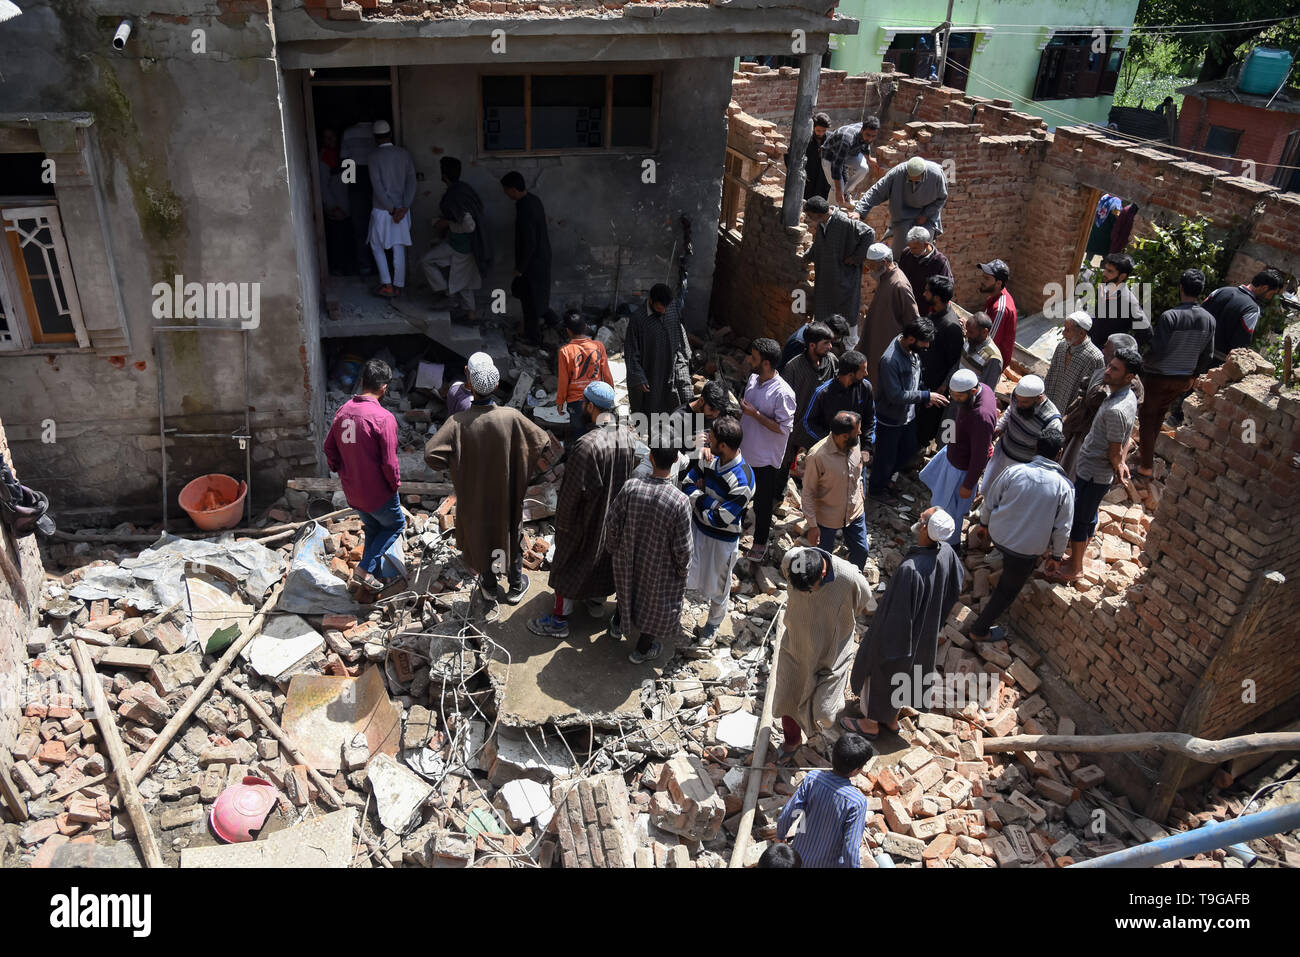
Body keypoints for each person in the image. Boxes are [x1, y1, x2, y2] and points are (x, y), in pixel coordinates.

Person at [424, 353, 552, 609]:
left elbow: (431, 455)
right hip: (506, 496)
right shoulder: (511, 417)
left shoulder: (457, 423)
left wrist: (456, 465)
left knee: (481, 537)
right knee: (510, 537)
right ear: (494, 385)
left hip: (475, 499)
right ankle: (516, 587)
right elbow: (543, 442)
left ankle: (489, 586)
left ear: (469, 384)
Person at [528, 382, 639, 640]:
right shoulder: (626, 436)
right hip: (612, 518)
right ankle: (595, 601)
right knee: (602, 558)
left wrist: (563, 527)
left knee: (568, 561)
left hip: (586, 519)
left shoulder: (585, 445)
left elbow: (570, 495)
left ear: (590, 406)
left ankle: (559, 621)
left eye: (583, 404)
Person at [846, 507, 963, 736]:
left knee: (882, 673)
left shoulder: (911, 570)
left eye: (923, 519)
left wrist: (883, 645)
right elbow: (955, 587)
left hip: (902, 634)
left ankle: (870, 724)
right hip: (926, 629)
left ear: (926, 531)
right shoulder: (947, 552)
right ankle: (890, 719)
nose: (919, 519)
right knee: (910, 673)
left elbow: (897, 616)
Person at [968, 429, 1074, 643]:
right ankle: (979, 630)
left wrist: (984, 525)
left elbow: (990, 500)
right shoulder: (1065, 488)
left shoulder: (1014, 471)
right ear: (1060, 453)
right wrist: (1056, 557)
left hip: (998, 535)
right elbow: (1063, 528)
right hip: (1026, 551)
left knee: (1009, 561)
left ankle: (994, 566)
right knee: (1007, 590)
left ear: (1035, 447)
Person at [1048, 349, 1141, 584]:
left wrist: (1117, 463)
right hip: (1095, 470)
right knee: (1087, 516)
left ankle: (1076, 566)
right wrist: (1118, 462)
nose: (1107, 371)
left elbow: (1114, 447)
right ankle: (1076, 556)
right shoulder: (1125, 396)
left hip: (1093, 473)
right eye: (1109, 366)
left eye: (1115, 369)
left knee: (1079, 518)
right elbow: (1124, 438)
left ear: (1129, 377)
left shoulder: (1116, 409)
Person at [774, 547, 876, 762]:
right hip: (796, 646)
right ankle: (792, 741)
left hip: (831, 651)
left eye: (808, 590)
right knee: (788, 699)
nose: (803, 594)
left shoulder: (849, 578)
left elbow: (863, 600)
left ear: (822, 574)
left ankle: (813, 729)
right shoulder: (791, 559)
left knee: (826, 713)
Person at [605, 445, 694, 664]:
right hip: (659, 567)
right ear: (675, 461)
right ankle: (641, 651)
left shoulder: (631, 487)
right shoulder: (679, 501)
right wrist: (682, 570)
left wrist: (614, 548)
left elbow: (612, 522)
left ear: (650, 458)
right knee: (655, 603)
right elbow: (683, 547)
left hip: (628, 559)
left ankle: (617, 626)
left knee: (627, 589)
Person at [323, 359, 403, 595]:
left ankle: (373, 576)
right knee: (396, 524)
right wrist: (394, 485)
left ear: (363, 382)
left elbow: (329, 448)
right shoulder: (383, 418)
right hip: (378, 493)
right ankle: (365, 570)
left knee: (373, 528)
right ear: (384, 388)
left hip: (353, 492)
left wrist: (344, 471)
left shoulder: (343, 411)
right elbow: (389, 463)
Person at [682, 415, 755, 644]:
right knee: (685, 572)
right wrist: (712, 502)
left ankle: (713, 625)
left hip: (722, 541)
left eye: (711, 437)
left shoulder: (743, 481)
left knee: (719, 585)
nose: (707, 440)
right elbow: (686, 484)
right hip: (696, 531)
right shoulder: (709, 458)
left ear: (723, 445)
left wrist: (700, 498)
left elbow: (720, 519)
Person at [1137, 268, 1216, 478]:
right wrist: (1193, 376)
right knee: (1159, 415)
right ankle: (1145, 457)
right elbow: (1207, 354)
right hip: (1182, 379)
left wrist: (1141, 364)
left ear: (1180, 288)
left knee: (1146, 416)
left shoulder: (1170, 316)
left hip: (1158, 377)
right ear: (1200, 291)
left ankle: (1145, 466)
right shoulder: (1209, 320)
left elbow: (1158, 349)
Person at [869, 318, 948, 503]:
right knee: (885, 457)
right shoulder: (891, 360)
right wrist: (925, 396)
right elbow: (895, 395)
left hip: (908, 416)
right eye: (924, 341)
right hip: (890, 418)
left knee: (908, 449)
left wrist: (923, 395)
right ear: (911, 339)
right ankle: (876, 489)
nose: (927, 346)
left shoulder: (911, 351)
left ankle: (887, 477)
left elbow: (916, 376)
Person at [919, 368, 996, 548]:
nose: (955, 400)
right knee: (940, 498)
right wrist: (949, 441)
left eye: (958, 397)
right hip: (953, 453)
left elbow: (980, 455)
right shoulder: (981, 389)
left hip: (959, 470)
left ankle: (947, 545)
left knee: (948, 510)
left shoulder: (981, 417)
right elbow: (958, 417)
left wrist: (968, 485)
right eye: (953, 395)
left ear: (973, 391)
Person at [775, 732, 873, 868]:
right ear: (856, 770)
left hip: (797, 858)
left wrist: (780, 836)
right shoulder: (856, 802)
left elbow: (790, 811)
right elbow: (850, 848)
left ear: (833, 755)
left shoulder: (812, 778)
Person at [739, 338, 795, 562]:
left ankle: (759, 542)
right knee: (739, 495)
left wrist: (755, 415)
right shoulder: (753, 379)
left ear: (765, 363)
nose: (749, 359)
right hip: (744, 453)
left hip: (765, 461)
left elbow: (783, 429)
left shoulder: (783, 393)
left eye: (753, 357)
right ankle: (735, 532)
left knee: (762, 505)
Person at [1059, 333, 1144, 480]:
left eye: (1107, 348)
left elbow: (1095, 399)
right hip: (1080, 430)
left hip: (1093, 442)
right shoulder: (1109, 372)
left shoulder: (1129, 386)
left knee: (1074, 477)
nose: (1103, 351)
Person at [421, 156, 490, 324]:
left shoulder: (455, 196)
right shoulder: (464, 189)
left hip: (460, 245)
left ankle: (447, 295)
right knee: (464, 282)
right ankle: (470, 316)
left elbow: (469, 225)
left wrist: (446, 224)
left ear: (444, 175)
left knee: (426, 261)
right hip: (467, 245)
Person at [802, 196, 875, 352]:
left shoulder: (844, 222)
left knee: (848, 319)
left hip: (844, 279)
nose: (809, 218)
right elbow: (818, 245)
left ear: (818, 214)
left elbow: (869, 233)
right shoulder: (822, 223)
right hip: (826, 279)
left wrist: (856, 258)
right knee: (824, 318)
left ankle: (850, 352)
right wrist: (805, 257)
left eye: (810, 215)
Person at [800, 412, 870, 569]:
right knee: (823, 561)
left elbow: (859, 468)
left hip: (854, 512)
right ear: (844, 436)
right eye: (856, 430)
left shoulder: (854, 441)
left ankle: (851, 582)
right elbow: (808, 492)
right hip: (827, 517)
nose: (860, 432)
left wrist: (861, 488)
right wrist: (812, 525)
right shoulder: (818, 456)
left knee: (861, 551)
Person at [779, 322, 837, 493]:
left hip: (818, 426)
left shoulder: (831, 362)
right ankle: (778, 495)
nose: (830, 347)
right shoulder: (793, 368)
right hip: (795, 425)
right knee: (785, 463)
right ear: (812, 345)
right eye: (825, 343)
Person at [854, 156, 949, 259]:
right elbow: (876, 191)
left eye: (916, 179)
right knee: (900, 253)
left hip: (926, 216)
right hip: (903, 215)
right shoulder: (898, 172)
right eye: (910, 178)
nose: (913, 181)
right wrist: (859, 211)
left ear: (924, 173)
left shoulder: (936, 175)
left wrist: (926, 214)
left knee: (922, 251)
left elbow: (942, 198)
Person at [980, 374, 1061, 493]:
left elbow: (1046, 453)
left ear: (1039, 398)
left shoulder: (1052, 421)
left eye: (1024, 402)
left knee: (1006, 500)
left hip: (1022, 468)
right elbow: (1010, 410)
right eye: (1017, 400)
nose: (1019, 404)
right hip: (1002, 454)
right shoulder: (1018, 396)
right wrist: (1000, 426)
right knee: (988, 491)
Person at [625, 279, 693, 418]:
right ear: (651, 300)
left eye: (666, 308)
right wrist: (638, 376)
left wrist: (684, 357)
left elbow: (679, 331)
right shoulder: (638, 319)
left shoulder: (671, 307)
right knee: (650, 409)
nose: (664, 311)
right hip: (651, 372)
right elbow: (631, 352)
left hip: (673, 365)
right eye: (660, 308)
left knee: (681, 400)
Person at [500, 171, 553, 347]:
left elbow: (529, 242)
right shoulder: (533, 200)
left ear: (513, 189)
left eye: (506, 190)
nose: (505, 194)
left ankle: (533, 338)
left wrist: (520, 268)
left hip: (532, 262)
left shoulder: (525, 208)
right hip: (539, 259)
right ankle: (550, 325)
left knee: (530, 303)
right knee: (534, 299)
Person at [366, 120, 417, 299]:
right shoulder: (404, 154)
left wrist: (391, 208)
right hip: (402, 210)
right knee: (398, 247)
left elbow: (377, 187)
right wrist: (403, 207)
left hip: (382, 210)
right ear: (390, 135)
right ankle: (398, 286)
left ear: (375, 138)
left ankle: (387, 284)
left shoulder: (373, 157)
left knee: (376, 245)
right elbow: (412, 182)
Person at [915, 274, 964, 450]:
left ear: (936, 297)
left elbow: (954, 362)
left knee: (925, 427)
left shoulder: (951, 326)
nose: (923, 294)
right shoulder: (934, 314)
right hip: (923, 379)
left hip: (935, 386)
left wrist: (943, 385)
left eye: (927, 291)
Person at [860, 242, 920, 386]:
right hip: (876, 341)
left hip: (888, 347)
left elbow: (912, 321)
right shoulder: (885, 277)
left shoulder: (899, 284)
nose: (870, 270)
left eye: (872, 266)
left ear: (884, 262)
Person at [1205, 268, 1285, 363]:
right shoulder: (1252, 309)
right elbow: (1240, 344)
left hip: (1194, 351)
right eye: (1271, 294)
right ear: (1264, 288)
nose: (1270, 298)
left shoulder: (1220, 291)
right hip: (1215, 362)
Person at [556, 311, 613, 438]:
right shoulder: (598, 346)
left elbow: (563, 380)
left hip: (575, 403)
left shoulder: (565, 351)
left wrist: (560, 402)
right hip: (596, 400)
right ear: (586, 327)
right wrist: (610, 396)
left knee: (579, 436)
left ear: (568, 331)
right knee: (598, 435)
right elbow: (607, 374)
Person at [804, 350, 874, 446]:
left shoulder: (866, 387)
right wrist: (830, 442)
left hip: (856, 447)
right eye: (863, 370)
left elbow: (870, 419)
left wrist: (866, 446)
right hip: (828, 449)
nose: (866, 373)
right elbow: (809, 422)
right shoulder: (822, 393)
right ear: (850, 374)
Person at [1043, 311, 1105, 412]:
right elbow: (1051, 374)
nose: (1063, 333)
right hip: (1050, 405)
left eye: (1067, 330)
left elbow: (1093, 393)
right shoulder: (1062, 346)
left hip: (1070, 414)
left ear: (1081, 333)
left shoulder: (1095, 358)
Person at [340, 119, 377, 276]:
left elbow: (345, 162)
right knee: (379, 224)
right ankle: (381, 265)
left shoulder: (348, 133)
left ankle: (365, 265)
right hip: (375, 180)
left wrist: (349, 186)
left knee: (360, 226)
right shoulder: (376, 131)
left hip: (356, 181)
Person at [1089, 253, 1148, 350]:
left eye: (1110, 271)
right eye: (1105, 269)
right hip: (1092, 349)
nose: (1104, 274)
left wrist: (1123, 351)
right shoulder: (1103, 290)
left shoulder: (1128, 301)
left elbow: (1146, 332)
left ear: (1122, 276)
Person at [820, 117, 881, 207]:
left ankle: (845, 193)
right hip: (830, 157)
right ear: (862, 130)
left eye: (873, 136)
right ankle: (829, 213)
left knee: (864, 168)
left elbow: (865, 144)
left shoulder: (868, 131)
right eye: (868, 135)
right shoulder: (847, 139)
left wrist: (869, 158)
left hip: (849, 153)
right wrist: (838, 190)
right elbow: (836, 165)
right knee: (836, 186)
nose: (870, 139)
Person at [319, 128, 356, 276]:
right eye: (327, 138)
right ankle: (339, 269)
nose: (331, 141)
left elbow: (350, 181)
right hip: (336, 208)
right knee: (337, 240)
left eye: (333, 137)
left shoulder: (344, 155)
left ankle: (348, 268)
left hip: (348, 205)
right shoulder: (323, 158)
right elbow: (322, 186)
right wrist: (333, 207)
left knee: (348, 238)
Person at [784, 111, 832, 201]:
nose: (821, 133)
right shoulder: (805, 139)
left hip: (824, 182)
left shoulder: (831, 139)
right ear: (813, 127)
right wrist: (799, 175)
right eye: (818, 130)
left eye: (824, 131)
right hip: (808, 182)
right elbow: (790, 156)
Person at [977, 259, 1017, 364]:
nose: (982, 280)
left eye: (987, 278)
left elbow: (989, 344)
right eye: (983, 276)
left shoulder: (1000, 309)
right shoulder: (993, 297)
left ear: (998, 283)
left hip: (988, 365)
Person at [897, 227, 953, 301]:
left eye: (914, 248)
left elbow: (945, 288)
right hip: (907, 303)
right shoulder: (906, 254)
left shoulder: (940, 262)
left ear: (926, 245)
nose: (911, 251)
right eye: (910, 247)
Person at [780, 314, 851, 371]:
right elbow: (789, 370)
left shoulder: (815, 331)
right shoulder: (800, 343)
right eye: (835, 338)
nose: (831, 345)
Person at [957, 311, 1003, 390]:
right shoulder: (970, 341)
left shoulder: (993, 358)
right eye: (967, 330)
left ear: (984, 332)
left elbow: (986, 390)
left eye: (971, 332)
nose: (967, 334)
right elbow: (958, 364)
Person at [1086, 194, 1124, 261]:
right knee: (1105, 254)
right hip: (1106, 232)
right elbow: (1115, 219)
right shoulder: (1116, 202)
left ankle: (1085, 266)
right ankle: (1103, 268)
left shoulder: (1105, 197)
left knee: (1090, 251)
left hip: (1096, 227)